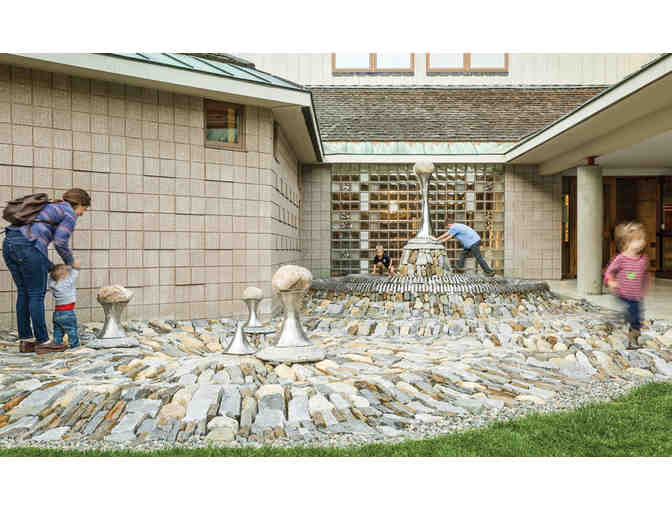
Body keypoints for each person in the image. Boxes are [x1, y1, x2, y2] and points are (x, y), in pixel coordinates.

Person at [2, 188, 90, 354]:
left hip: (9, 244)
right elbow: (60, 242)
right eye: (83, 209)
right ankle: (43, 341)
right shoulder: (69, 213)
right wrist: (71, 262)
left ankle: (26, 341)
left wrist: (51, 267)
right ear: (78, 204)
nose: (82, 214)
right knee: (36, 294)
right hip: (28, 246)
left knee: (23, 292)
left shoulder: (49, 206)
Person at [604, 221, 649, 350]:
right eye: (638, 239)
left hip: (636, 296)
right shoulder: (621, 259)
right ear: (627, 242)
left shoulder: (643, 259)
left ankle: (631, 333)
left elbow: (644, 275)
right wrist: (610, 281)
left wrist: (644, 287)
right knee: (631, 315)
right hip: (622, 293)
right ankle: (629, 333)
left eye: (643, 239)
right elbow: (609, 272)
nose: (642, 242)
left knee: (637, 317)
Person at [46, 260, 81, 351]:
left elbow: (49, 278)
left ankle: (57, 344)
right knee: (72, 330)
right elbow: (75, 272)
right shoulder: (68, 282)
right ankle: (75, 346)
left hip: (57, 313)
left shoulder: (53, 285)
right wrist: (73, 265)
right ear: (64, 275)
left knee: (58, 330)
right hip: (68, 312)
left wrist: (51, 272)